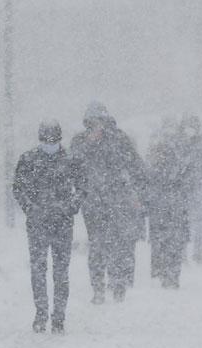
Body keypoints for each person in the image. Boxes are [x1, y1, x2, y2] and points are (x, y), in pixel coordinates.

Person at [13, 120, 85, 333]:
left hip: (62, 223)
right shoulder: (28, 160)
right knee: (39, 269)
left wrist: (71, 206)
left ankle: (59, 316)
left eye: (53, 140)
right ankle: (41, 312)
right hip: (38, 223)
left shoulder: (71, 160)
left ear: (59, 139)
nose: (49, 143)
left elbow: (82, 187)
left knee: (60, 271)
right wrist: (31, 208)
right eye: (46, 140)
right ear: (40, 139)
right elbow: (18, 188)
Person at [71, 102, 147, 303]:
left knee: (117, 244)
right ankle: (98, 288)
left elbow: (136, 166)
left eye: (99, 121)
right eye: (92, 122)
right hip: (93, 203)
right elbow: (73, 166)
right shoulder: (80, 140)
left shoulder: (119, 139)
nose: (96, 126)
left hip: (117, 201)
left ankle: (118, 284)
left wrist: (139, 193)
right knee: (96, 245)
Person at [147, 117, 192, 288]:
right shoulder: (176, 162)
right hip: (168, 208)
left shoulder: (168, 163)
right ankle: (169, 273)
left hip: (167, 208)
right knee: (168, 243)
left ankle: (168, 273)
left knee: (167, 243)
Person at [181, 114, 202, 264]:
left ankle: (196, 252)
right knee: (186, 222)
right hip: (186, 187)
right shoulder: (183, 142)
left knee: (196, 222)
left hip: (195, 186)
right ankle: (186, 253)